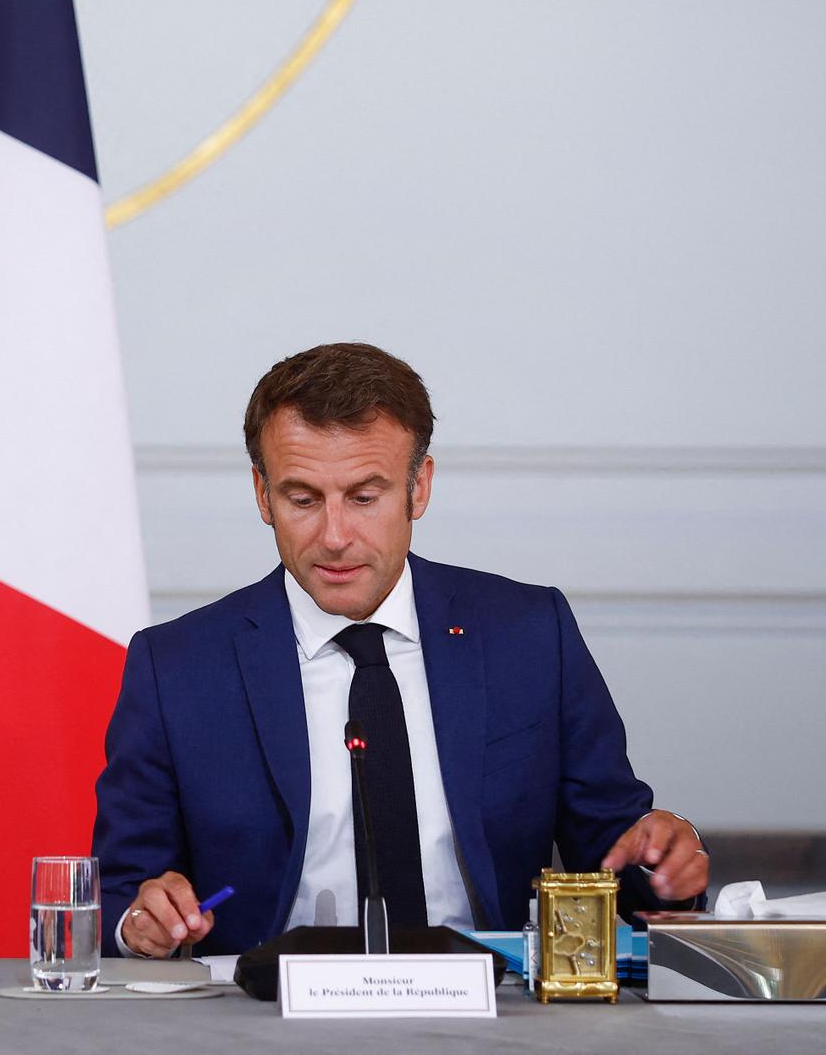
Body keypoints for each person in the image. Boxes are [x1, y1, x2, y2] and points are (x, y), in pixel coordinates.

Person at [93, 344, 708, 957]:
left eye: (364, 497)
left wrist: (663, 865)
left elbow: (614, 857)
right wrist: (139, 921)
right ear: (262, 494)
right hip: (263, 1021)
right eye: (303, 499)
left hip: (496, 1013)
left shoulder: (528, 635)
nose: (335, 537)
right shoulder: (175, 667)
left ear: (419, 488)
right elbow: (123, 892)